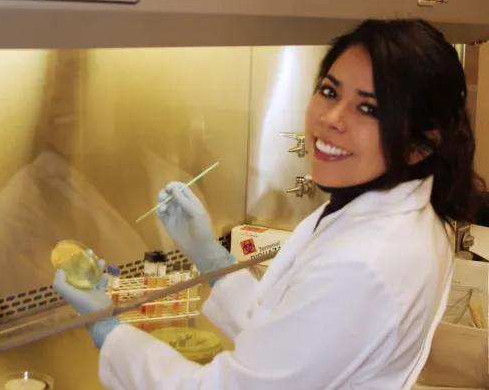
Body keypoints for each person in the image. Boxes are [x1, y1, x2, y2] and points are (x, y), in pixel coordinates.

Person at [53, 19, 485, 389]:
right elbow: (285, 331)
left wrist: (110, 332)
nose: (332, 119)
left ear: (420, 145)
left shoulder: (368, 260)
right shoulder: (375, 210)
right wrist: (210, 258)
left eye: (369, 109)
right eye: (330, 92)